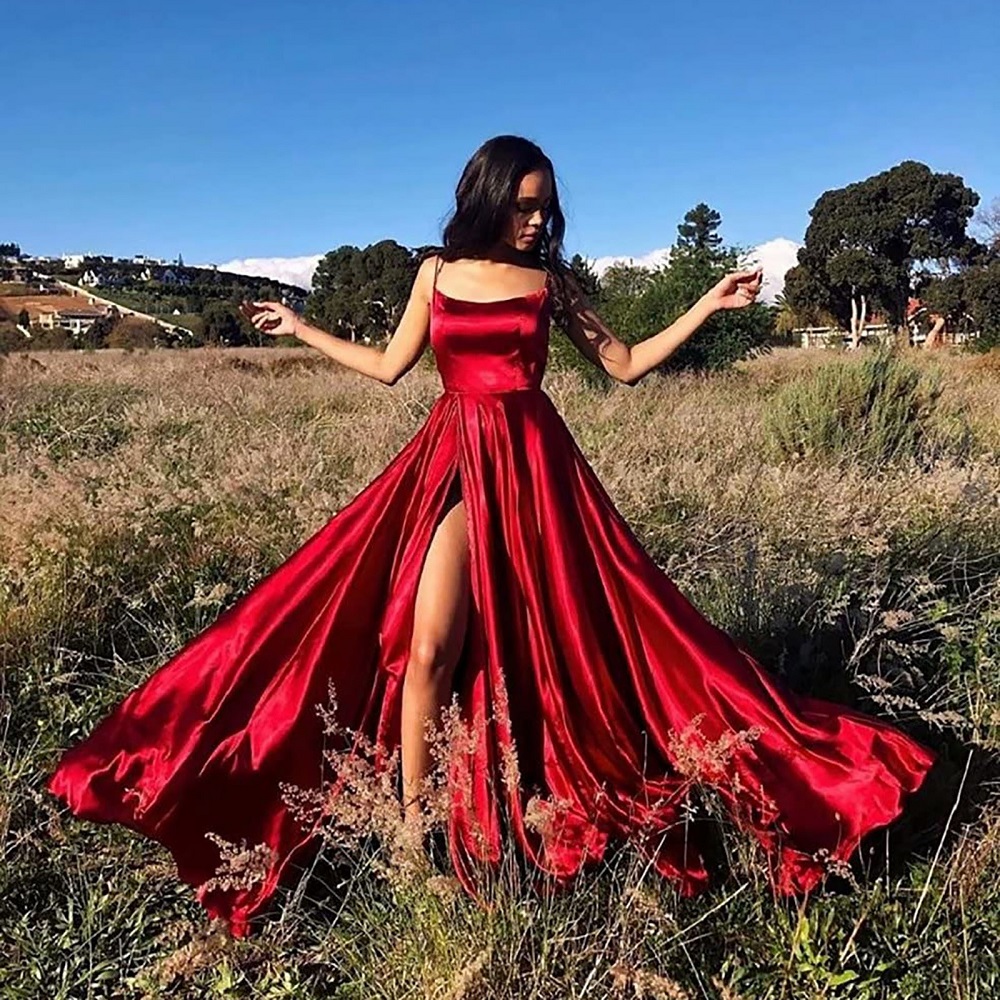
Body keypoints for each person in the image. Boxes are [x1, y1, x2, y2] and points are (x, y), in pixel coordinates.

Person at [46, 134, 937, 939]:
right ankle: (409, 836)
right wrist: (303, 327)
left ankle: (549, 775)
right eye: (524, 205)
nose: (537, 221)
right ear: (487, 197)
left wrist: (709, 303)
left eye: (545, 207)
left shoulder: (550, 284)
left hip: (535, 469)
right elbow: (390, 367)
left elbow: (624, 364)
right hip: (453, 460)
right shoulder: (434, 274)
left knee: (597, 635)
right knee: (428, 644)